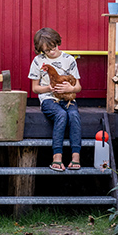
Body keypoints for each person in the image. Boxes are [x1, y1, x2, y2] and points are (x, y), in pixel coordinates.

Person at [28, 27, 82, 172]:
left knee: (74, 115)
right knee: (61, 115)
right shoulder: (38, 61)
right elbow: (35, 88)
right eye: (46, 50)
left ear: (57, 43)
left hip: (67, 97)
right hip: (48, 99)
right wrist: (49, 89)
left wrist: (71, 89)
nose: (51, 52)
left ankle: (75, 157)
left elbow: (78, 86)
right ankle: (56, 157)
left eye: (53, 48)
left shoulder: (69, 59)